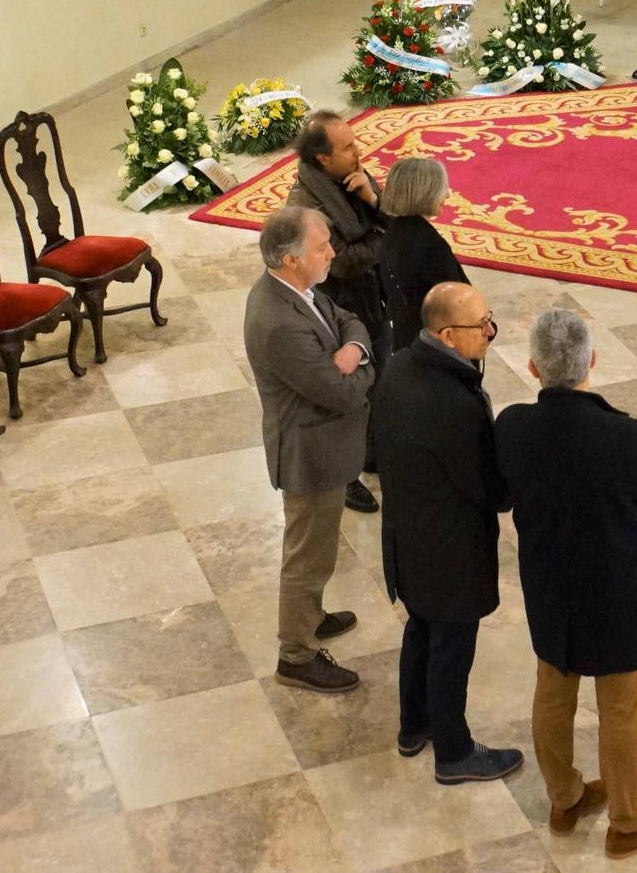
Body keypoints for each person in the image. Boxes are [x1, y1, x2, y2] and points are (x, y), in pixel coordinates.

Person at [495, 310, 637, 859]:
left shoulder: (512, 428)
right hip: (617, 595)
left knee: (553, 694)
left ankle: (565, 797)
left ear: (532, 366)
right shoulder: (627, 438)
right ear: (592, 362)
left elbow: (502, 494)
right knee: (620, 710)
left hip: (550, 589)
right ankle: (628, 823)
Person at [372, 281, 522, 784]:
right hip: (450, 547)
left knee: (421, 629)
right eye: (481, 325)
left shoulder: (398, 367)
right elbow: (489, 487)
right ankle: (454, 752)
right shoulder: (453, 405)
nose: (490, 332)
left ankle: (414, 725)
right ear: (449, 336)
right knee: (451, 646)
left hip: (406, 536)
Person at [244, 206, 374, 695]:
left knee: (318, 549)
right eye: (322, 247)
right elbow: (341, 393)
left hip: (324, 444)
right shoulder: (277, 320)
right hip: (309, 453)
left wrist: (353, 351)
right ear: (289, 258)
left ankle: (311, 615)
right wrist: (361, 367)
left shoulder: (298, 290)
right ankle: (295, 655)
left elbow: (349, 319)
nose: (332, 252)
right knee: (308, 556)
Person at [288, 110, 390, 513]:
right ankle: (342, 475)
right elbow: (343, 260)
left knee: (378, 376)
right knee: (346, 393)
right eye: (347, 147)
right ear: (323, 160)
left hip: (369, 297)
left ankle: (370, 451)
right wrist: (384, 234)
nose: (357, 151)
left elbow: (388, 213)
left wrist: (372, 199)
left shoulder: (353, 180)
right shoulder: (306, 206)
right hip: (336, 308)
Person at [378, 157, 468, 353]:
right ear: (425, 193)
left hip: (407, 342)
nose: (446, 195)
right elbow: (461, 301)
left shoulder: (392, 233)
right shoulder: (430, 246)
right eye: (441, 189)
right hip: (440, 349)